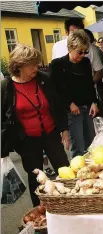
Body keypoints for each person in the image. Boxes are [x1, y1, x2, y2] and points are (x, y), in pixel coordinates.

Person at [1, 44, 70, 206]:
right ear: (19, 65)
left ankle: (70, 204)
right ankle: (40, 214)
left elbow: (56, 106)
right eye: (32, 64)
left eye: (37, 63)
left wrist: (64, 130)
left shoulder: (43, 78)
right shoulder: (6, 87)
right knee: (36, 179)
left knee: (64, 170)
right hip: (27, 141)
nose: (36, 67)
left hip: (51, 134)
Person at [49, 30, 98, 157]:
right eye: (80, 52)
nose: (83, 55)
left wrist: (94, 102)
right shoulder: (58, 65)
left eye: (85, 51)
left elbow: (89, 85)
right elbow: (55, 91)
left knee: (91, 144)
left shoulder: (86, 62)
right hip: (71, 111)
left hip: (87, 108)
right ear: (70, 48)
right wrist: (69, 104)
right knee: (78, 147)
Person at [84, 29, 103, 124]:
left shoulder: (94, 50)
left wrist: (91, 84)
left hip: (96, 86)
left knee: (100, 113)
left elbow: (99, 70)